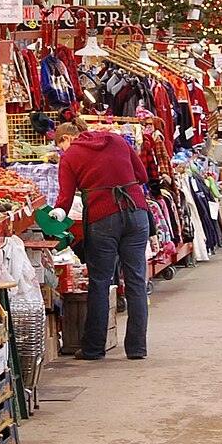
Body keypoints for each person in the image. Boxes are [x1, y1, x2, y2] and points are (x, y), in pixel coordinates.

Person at [53, 120, 150, 361]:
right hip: (137, 212)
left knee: (100, 281)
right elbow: (142, 175)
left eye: (59, 146)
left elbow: (65, 199)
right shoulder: (117, 139)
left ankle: (94, 348)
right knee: (137, 281)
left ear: (66, 138)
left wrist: (55, 216)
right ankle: (137, 348)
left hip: (102, 217)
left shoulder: (71, 155)